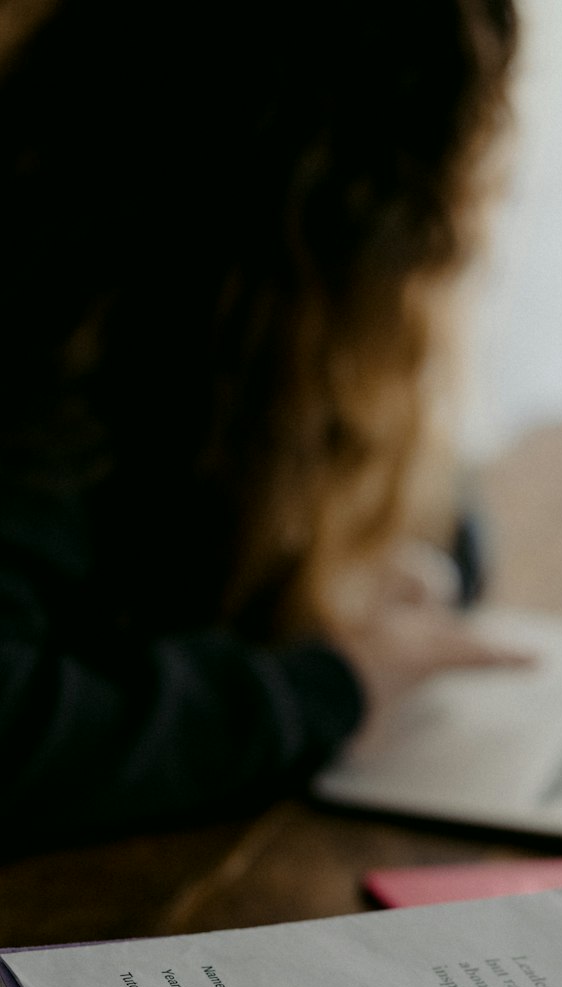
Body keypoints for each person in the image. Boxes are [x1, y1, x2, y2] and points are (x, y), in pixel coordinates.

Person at [0, 0, 522, 853]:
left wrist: (401, 565)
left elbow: (439, 512)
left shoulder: (239, 340)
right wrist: (329, 688)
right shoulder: (47, 347)